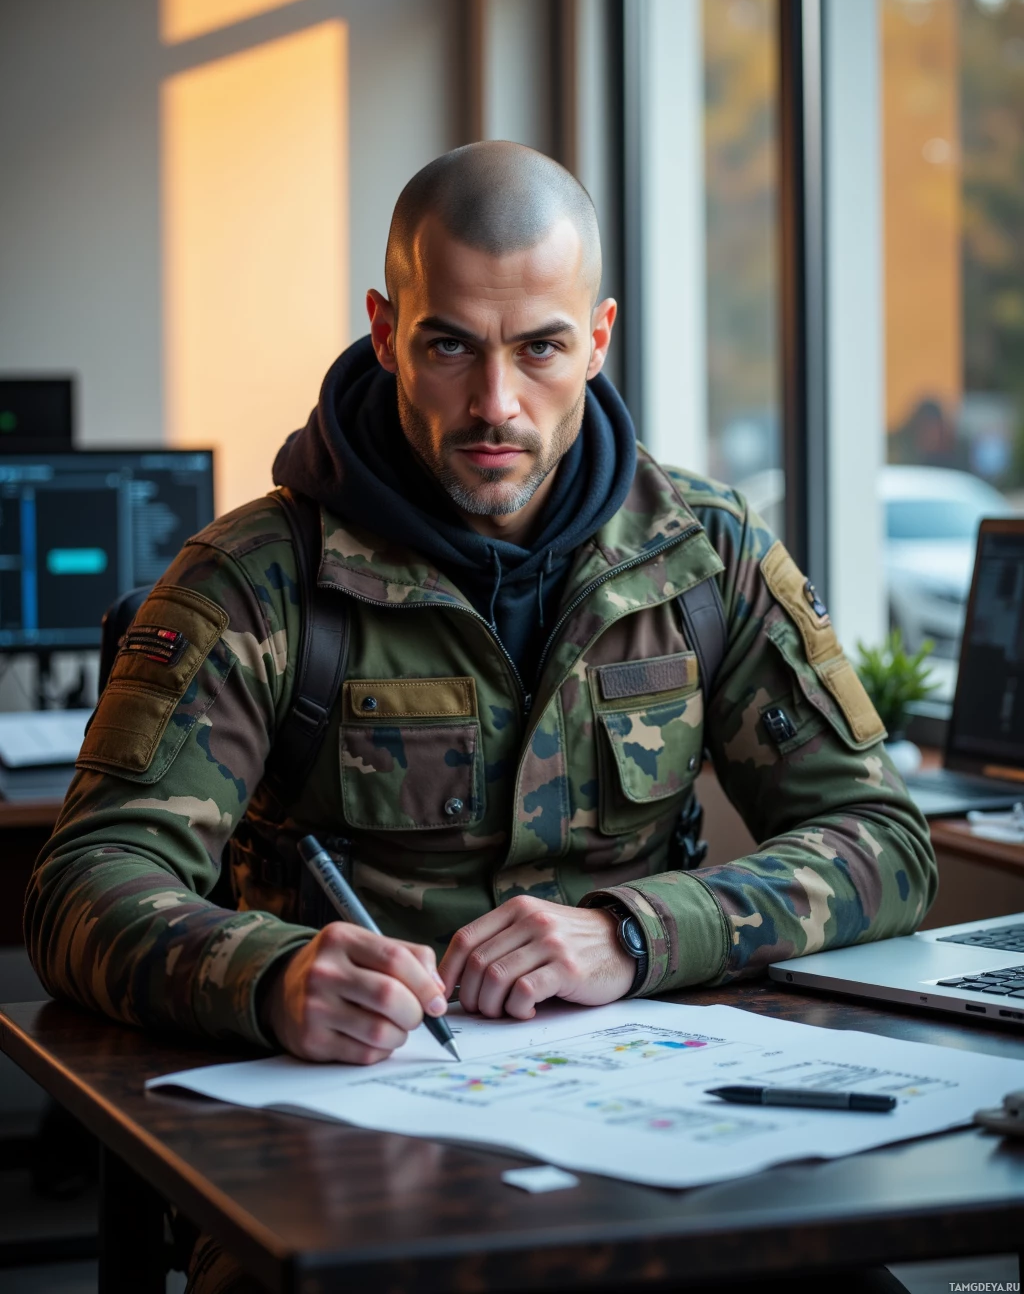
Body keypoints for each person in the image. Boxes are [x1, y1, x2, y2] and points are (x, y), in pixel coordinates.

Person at [26, 141, 935, 1288]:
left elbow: (882, 841)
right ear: (384, 332)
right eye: (449, 344)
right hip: (343, 1146)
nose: (495, 405)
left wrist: (635, 933)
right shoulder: (255, 581)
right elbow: (83, 884)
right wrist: (273, 977)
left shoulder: (710, 555)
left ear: (597, 338)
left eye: (540, 348)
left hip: (658, 1128)